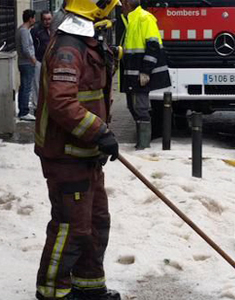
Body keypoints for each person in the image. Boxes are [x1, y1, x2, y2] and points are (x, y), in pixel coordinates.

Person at [34, 0, 121, 299]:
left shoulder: (88, 43)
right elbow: (62, 103)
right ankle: (51, 291)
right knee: (71, 227)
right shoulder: (69, 48)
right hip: (66, 156)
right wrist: (100, 132)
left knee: (97, 223)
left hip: (86, 156)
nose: (113, 12)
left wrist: (98, 139)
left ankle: (89, 286)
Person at [120, 0, 171, 149]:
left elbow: (153, 46)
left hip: (139, 74)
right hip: (132, 74)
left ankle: (143, 145)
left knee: (140, 108)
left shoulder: (144, 18)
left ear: (127, 4)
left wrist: (145, 72)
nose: (120, 7)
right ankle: (141, 144)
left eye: (122, 4)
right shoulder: (131, 19)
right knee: (133, 106)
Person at [15, 9, 36, 121]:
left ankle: (22, 110)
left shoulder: (23, 29)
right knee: (26, 87)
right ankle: (24, 111)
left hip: (24, 62)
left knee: (24, 86)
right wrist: (32, 59)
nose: (35, 20)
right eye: (34, 18)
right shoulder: (23, 31)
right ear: (30, 19)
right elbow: (25, 48)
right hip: (26, 63)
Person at [31, 10, 52, 111]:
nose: (47, 22)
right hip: (39, 60)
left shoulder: (54, 30)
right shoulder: (36, 31)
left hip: (51, 61)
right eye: (45, 19)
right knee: (37, 84)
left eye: (49, 19)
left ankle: (48, 104)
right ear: (41, 20)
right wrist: (33, 58)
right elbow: (31, 45)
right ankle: (36, 106)